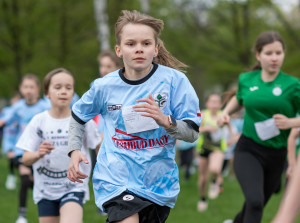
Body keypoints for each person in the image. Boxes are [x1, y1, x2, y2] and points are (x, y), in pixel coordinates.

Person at [67, 10, 201, 223]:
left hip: (158, 183)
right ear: (119, 50)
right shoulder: (104, 86)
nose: (139, 49)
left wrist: (166, 121)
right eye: (131, 44)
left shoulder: (175, 82)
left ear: (155, 49)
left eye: (146, 43)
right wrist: (74, 151)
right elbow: (77, 116)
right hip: (115, 179)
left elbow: (192, 134)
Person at [219, 31, 300, 223]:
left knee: (255, 205)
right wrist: (226, 112)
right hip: (249, 149)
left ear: (283, 54)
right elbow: (239, 98)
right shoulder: (247, 80)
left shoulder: (293, 85)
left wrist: (290, 123)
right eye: (269, 53)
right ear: (258, 55)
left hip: (276, 155)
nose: (274, 58)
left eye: (278, 53)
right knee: (255, 202)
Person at [16, 68, 101, 223]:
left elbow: (99, 147)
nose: (64, 92)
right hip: (45, 190)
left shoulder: (82, 120)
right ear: (47, 93)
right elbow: (25, 159)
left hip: (74, 186)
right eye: (58, 87)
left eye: (68, 88)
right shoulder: (38, 121)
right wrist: (38, 154)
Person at [0, 74, 50, 223]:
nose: (28, 90)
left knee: (35, 182)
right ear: (21, 89)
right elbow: (7, 123)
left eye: (32, 87)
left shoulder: (45, 107)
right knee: (24, 179)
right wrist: (8, 149)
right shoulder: (17, 107)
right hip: (22, 151)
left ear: (38, 89)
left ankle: (48, 200)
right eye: (26, 87)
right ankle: (21, 216)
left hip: (42, 152)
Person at [196, 93, 228, 212]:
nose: (214, 104)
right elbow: (195, 130)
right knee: (203, 178)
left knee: (215, 169)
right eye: (212, 102)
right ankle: (203, 198)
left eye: (217, 102)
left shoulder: (223, 115)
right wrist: (206, 128)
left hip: (218, 148)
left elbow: (230, 128)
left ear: (220, 104)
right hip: (204, 148)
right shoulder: (203, 115)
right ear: (207, 103)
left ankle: (215, 181)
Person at [1, 92, 21, 190]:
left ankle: (20, 176)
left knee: (17, 160)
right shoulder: (7, 110)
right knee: (11, 158)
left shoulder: (20, 112)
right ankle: (11, 176)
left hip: (17, 140)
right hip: (8, 139)